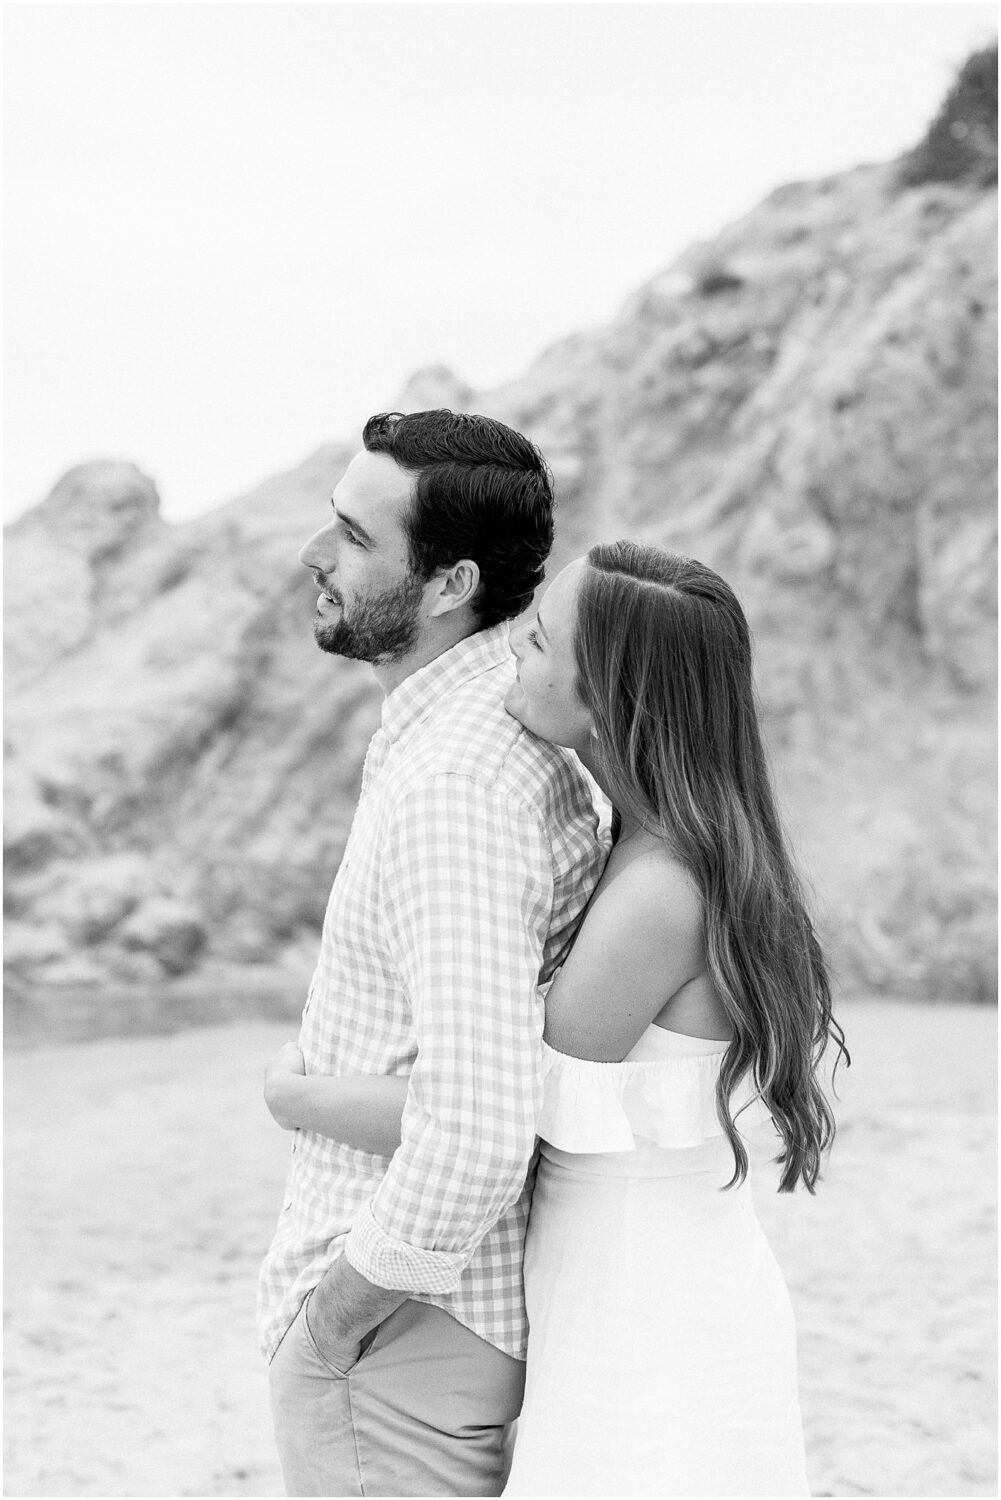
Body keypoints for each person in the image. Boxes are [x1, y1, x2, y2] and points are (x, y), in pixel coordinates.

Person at [265, 540, 849, 1497]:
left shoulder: (662, 890)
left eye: (535, 645)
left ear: (610, 698)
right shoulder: (639, 836)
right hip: (630, 1282)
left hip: (644, 1306)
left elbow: (499, 1109)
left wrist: (298, 1098)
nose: (508, 662)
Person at [258, 409, 609, 1499]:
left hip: (401, 1344)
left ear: (450, 584)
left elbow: (476, 1126)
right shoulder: (473, 740)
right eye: (332, 524)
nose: (316, 558)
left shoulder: (455, 785)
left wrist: (332, 1325)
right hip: (437, 1335)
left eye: (356, 539)